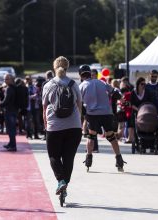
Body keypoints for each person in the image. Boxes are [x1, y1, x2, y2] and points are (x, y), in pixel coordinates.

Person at [42, 56, 82, 198]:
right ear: (67, 67)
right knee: (68, 157)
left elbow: (44, 108)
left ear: (54, 68)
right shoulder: (74, 84)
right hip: (74, 127)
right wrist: (80, 123)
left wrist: (46, 125)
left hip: (55, 127)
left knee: (54, 156)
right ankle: (64, 184)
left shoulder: (48, 85)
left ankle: (61, 181)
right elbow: (79, 105)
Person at [79, 65, 126, 171]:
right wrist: (121, 99)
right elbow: (115, 92)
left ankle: (88, 159)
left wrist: (83, 114)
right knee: (111, 137)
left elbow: (78, 102)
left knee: (91, 137)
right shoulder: (101, 82)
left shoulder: (81, 86)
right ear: (89, 73)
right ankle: (119, 160)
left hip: (92, 114)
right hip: (106, 113)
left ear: (80, 75)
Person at [146, 70, 158, 151]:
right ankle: (151, 144)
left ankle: (156, 141)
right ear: (149, 75)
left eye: (156, 76)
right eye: (153, 76)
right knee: (150, 127)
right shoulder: (146, 86)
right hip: (149, 111)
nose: (154, 78)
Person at [0, 74, 17, 152]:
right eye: (4, 79)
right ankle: (11, 143)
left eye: (6, 79)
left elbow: (6, 101)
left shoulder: (9, 89)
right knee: (11, 129)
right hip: (13, 110)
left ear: (11, 79)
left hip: (9, 111)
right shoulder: (14, 88)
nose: (5, 81)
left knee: (11, 129)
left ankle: (13, 145)